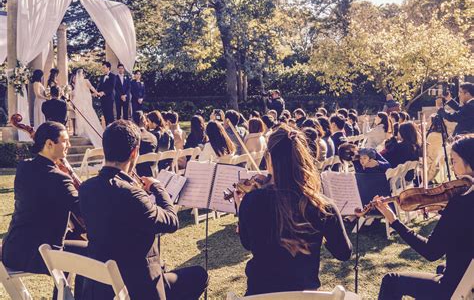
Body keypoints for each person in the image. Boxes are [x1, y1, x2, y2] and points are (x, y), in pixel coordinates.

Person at [79, 120, 208, 299]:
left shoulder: (86, 188)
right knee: (199, 275)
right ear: (134, 152)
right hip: (140, 288)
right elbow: (171, 221)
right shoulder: (131, 194)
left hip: (101, 286)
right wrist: (157, 187)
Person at [236, 125, 352, 296]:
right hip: (304, 295)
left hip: (260, 294)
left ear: (270, 161)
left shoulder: (253, 200)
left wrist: (243, 208)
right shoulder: (322, 206)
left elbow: (247, 244)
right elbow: (343, 253)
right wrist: (324, 232)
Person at [375, 135, 474, 300]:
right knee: (441, 268)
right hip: (469, 280)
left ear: (469, 161)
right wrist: (445, 213)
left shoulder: (461, 202)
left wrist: (394, 221)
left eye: (454, 161)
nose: (453, 167)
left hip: (457, 288)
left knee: (391, 281)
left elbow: (431, 252)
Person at [1, 122, 86, 297]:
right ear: (49, 144)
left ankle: (61, 296)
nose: (68, 145)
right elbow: (85, 210)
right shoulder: (59, 179)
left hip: (13, 249)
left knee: (71, 244)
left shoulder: (24, 167)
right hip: (38, 255)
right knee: (92, 252)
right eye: (65, 141)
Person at [71, 69, 103, 148]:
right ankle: (92, 132)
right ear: (83, 74)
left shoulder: (77, 84)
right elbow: (92, 89)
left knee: (82, 117)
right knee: (90, 116)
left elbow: (75, 95)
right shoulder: (86, 81)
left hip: (80, 103)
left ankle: (83, 131)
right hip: (87, 103)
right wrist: (98, 93)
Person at [133, 111, 158, 177]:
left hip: (136, 175)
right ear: (144, 122)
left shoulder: (133, 138)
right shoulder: (153, 137)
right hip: (152, 173)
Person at [97, 61, 116, 125]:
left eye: (104, 67)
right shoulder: (102, 77)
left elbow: (112, 87)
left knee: (110, 114)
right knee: (105, 114)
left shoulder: (113, 76)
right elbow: (99, 87)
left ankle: (111, 128)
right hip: (102, 99)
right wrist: (97, 93)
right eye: (102, 68)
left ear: (108, 68)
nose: (103, 69)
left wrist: (104, 92)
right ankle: (107, 128)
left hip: (109, 98)